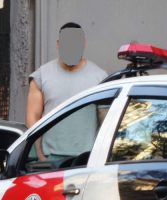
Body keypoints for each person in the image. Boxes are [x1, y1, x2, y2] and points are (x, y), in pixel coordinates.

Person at [26, 22, 107, 160]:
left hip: (86, 159)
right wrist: (40, 155)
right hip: (50, 158)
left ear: (84, 44)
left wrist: (99, 155)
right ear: (58, 44)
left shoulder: (100, 77)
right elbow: (32, 118)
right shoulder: (41, 76)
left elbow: (105, 121)